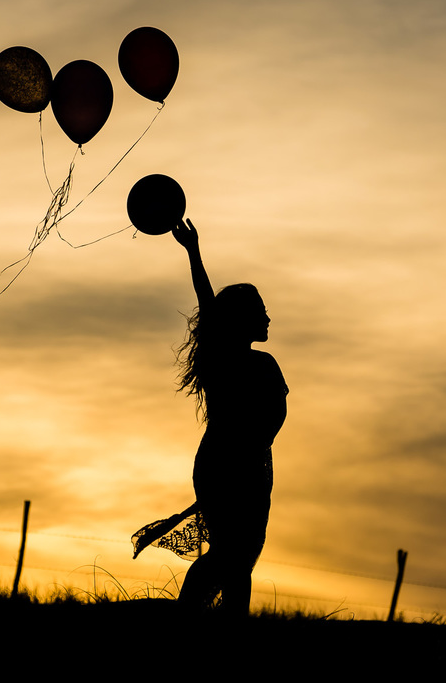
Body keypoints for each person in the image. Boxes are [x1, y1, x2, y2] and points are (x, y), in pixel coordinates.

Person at [131, 219, 288, 615]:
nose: (268, 319)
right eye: (261, 312)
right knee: (232, 552)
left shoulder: (259, 363)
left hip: (252, 465)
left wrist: (193, 251)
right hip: (225, 463)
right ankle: (193, 617)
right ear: (241, 320)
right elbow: (208, 307)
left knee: (243, 552)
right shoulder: (224, 360)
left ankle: (223, 621)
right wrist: (193, 252)